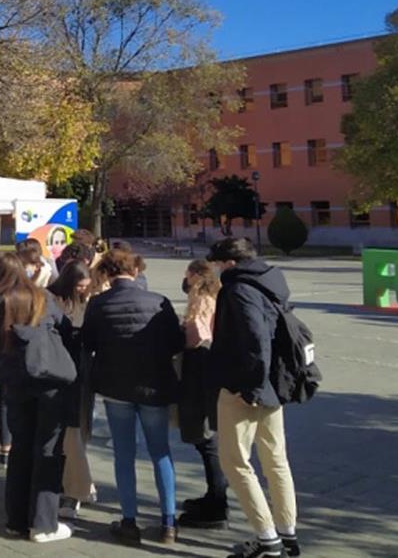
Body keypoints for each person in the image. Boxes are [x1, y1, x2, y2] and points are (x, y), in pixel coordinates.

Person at [82, 248, 184, 545]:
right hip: (154, 385)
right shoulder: (159, 302)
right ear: (136, 271)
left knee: (123, 455)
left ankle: (129, 520)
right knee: (161, 452)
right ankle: (168, 522)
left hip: (116, 386)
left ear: (107, 274)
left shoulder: (98, 303)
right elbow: (176, 343)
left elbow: (88, 343)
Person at [207, 237, 299, 558]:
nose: (216, 269)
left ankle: (267, 538)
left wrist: (250, 388)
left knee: (234, 461)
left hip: (244, 387)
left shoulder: (238, 289)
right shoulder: (270, 281)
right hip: (274, 384)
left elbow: (254, 339)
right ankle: (287, 532)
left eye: (218, 263)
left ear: (230, 263)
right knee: (276, 460)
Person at [0, 252, 73, 543]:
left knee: (20, 448)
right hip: (48, 379)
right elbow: (64, 328)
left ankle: (16, 519)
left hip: (13, 380)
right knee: (48, 450)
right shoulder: (40, 296)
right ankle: (44, 523)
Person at [177, 259, 230, 529]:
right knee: (209, 439)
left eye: (187, 276)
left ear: (196, 277)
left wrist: (180, 333)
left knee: (207, 440)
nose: (185, 281)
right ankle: (214, 494)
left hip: (200, 371)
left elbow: (197, 334)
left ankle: (218, 505)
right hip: (211, 371)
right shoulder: (217, 296)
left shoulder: (201, 300)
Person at [46, 260, 96, 520]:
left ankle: (77, 487)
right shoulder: (52, 299)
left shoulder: (85, 301)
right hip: (63, 370)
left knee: (75, 431)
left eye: (86, 287)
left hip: (79, 372)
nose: (83, 291)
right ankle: (76, 487)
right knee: (69, 433)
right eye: (79, 286)